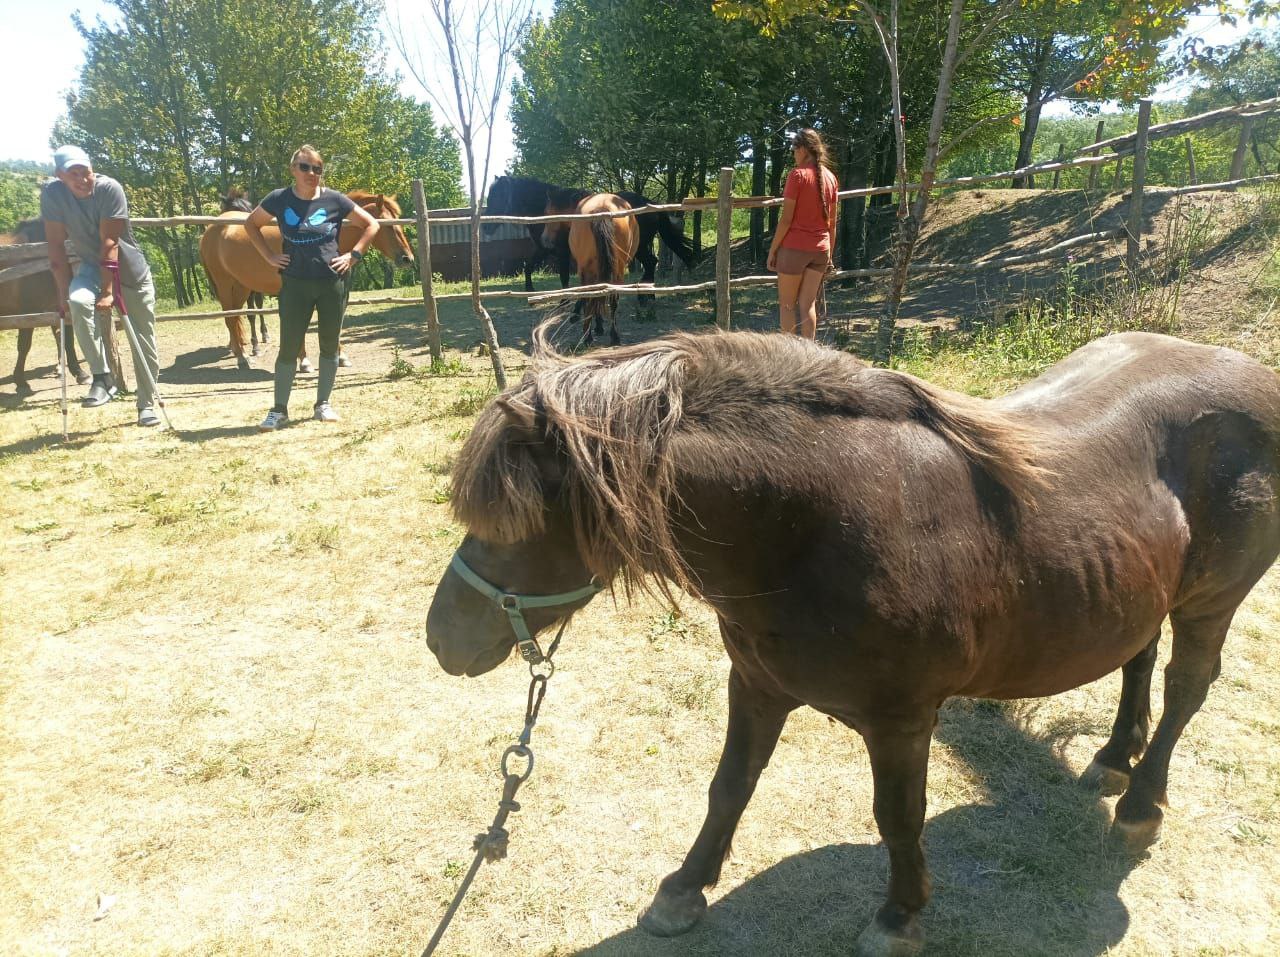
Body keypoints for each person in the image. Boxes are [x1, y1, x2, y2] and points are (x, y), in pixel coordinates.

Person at [243, 145, 378, 431]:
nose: (312, 173)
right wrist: (269, 257)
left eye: (317, 168)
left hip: (332, 283)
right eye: (305, 167)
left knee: (329, 344)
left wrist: (353, 255)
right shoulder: (279, 199)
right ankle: (279, 410)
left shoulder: (334, 200)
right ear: (293, 169)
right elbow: (251, 224)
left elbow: (371, 225)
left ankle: (323, 404)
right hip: (295, 284)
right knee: (289, 347)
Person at [41, 145, 162, 426]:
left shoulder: (109, 189)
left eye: (86, 172)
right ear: (60, 175)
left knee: (142, 341)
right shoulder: (53, 195)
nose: (82, 179)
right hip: (91, 268)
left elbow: (110, 243)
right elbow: (55, 247)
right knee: (78, 301)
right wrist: (62, 294)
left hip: (130, 273)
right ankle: (102, 377)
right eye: (74, 174)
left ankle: (146, 404)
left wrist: (108, 293)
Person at [767, 128, 839, 340]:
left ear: (802, 150)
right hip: (821, 250)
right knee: (808, 304)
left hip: (795, 249)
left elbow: (786, 220)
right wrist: (829, 255)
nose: (793, 154)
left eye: (794, 149)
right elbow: (832, 223)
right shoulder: (831, 178)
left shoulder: (797, 176)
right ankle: (810, 353)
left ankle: (790, 355)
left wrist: (773, 250)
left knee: (787, 306)